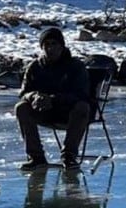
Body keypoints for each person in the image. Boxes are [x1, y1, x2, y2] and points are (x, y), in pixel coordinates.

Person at [15, 27, 91, 170]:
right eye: (46, 45)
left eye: (54, 44)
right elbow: (24, 92)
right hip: (43, 110)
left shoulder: (76, 66)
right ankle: (36, 157)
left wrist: (53, 99)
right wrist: (34, 97)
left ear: (62, 46)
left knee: (83, 107)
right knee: (21, 107)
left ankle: (69, 156)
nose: (50, 48)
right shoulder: (35, 66)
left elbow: (82, 94)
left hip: (68, 112)